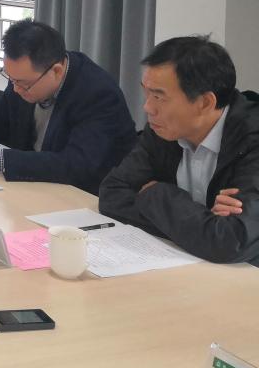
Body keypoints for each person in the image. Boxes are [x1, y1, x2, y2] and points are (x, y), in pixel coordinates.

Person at [99, 36, 259, 263]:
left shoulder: (251, 140)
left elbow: (230, 242)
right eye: (146, 93)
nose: (147, 107)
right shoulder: (163, 130)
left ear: (205, 102)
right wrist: (203, 222)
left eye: (158, 96)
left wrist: (157, 194)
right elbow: (112, 193)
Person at [0, 19, 136, 194]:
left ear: (56, 71)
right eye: (10, 78)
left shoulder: (97, 93)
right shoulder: (22, 78)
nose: (15, 89)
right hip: (32, 188)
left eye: (22, 83)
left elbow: (76, 164)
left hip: (83, 196)